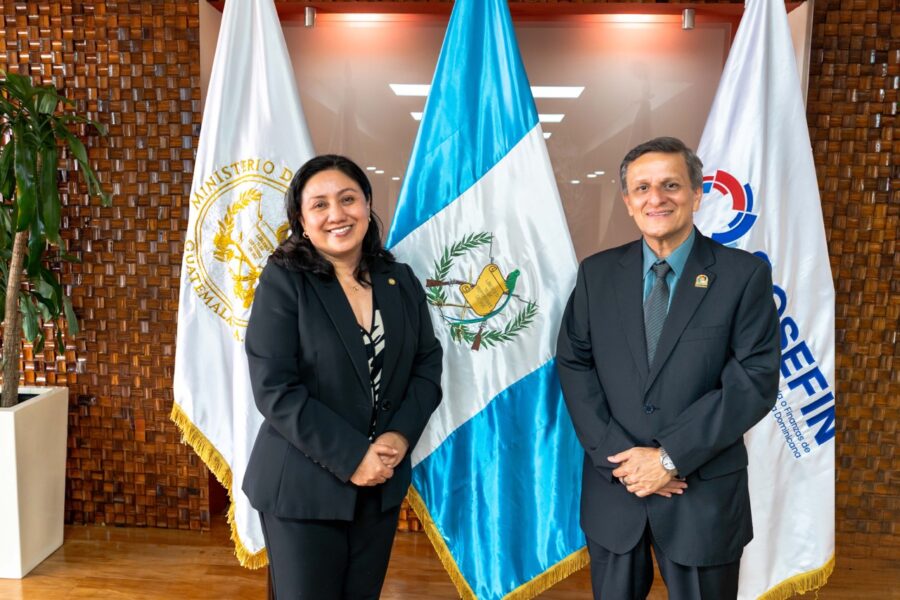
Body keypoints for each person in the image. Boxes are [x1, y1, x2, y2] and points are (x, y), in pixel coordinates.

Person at [556, 137, 780, 600]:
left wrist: (667, 457)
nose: (655, 198)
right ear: (627, 201)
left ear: (697, 194)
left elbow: (754, 380)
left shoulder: (743, 275)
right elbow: (575, 364)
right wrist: (625, 460)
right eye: (642, 188)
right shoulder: (596, 274)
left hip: (701, 495)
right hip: (616, 489)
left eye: (670, 185)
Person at [242, 154, 443, 599]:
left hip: (379, 487)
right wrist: (353, 457)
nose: (337, 214)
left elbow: (427, 364)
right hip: (303, 489)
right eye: (320, 204)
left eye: (348, 199)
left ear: (367, 205)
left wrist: (400, 435)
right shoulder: (284, 280)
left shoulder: (399, 279)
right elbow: (275, 388)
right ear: (301, 219)